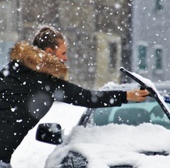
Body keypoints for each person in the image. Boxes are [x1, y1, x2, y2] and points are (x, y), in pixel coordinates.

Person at [0, 26, 149, 168]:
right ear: (49, 52)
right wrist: (126, 96)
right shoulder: (47, 82)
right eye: (63, 53)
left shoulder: (14, 68)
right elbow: (87, 97)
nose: (66, 59)